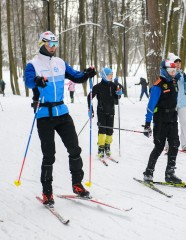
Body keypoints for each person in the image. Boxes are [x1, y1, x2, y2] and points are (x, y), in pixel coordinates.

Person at [24, 31, 97, 205]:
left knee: (74, 149)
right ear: (42, 44)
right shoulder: (33, 64)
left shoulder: (60, 63)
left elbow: (76, 76)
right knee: (49, 155)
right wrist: (37, 81)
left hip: (62, 113)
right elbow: (28, 82)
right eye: (50, 44)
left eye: (55, 44)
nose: (53, 47)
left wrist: (86, 74)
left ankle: (77, 184)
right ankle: (47, 193)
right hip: (44, 115)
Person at [142, 60, 182, 184]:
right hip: (160, 120)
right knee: (159, 146)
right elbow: (150, 106)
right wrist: (147, 124)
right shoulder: (158, 86)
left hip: (172, 118)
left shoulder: (174, 82)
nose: (173, 73)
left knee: (175, 144)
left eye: (174, 71)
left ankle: (170, 173)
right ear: (164, 71)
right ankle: (148, 172)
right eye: (171, 71)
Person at [88, 67, 122, 159]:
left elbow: (116, 98)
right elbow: (89, 97)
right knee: (102, 130)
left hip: (111, 111)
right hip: (101, 112)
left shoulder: (113, 85)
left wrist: (119, 94)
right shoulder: (98, 87)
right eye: (109, 75)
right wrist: (90, 108)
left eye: (112, 74)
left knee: (110, 131)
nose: (111, 76)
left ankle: (107, 146)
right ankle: (100, 148)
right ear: (104, 75)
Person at [168, 53, 186, 152]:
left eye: (179, 62)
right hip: (172, 103)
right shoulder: (169, 74)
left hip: (182, 103)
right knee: (171, 124)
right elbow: (167, 87)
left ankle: (185, 144)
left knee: (185, 123)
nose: (178, 64)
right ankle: (169, 144)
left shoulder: (182, 74)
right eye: (176, 62)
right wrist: (173, 79)